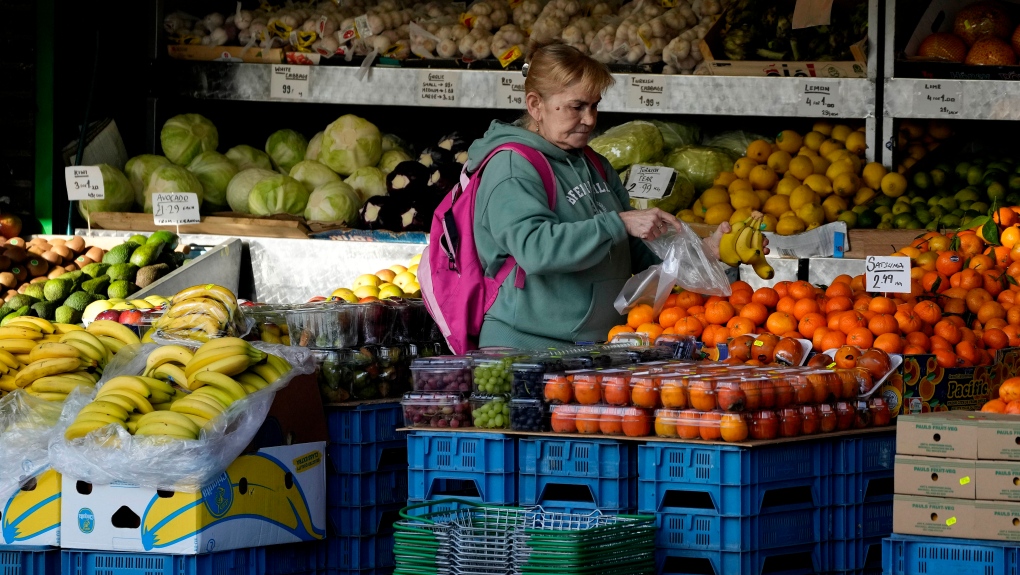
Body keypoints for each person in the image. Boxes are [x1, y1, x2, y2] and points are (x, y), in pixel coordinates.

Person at [466, 42, 748, 350]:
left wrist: (702, 249)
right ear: (535, 105)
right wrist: (619, 223)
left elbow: (638, 254)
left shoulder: (594, 164)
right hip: (524, 348)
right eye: (577, 107)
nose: (590, 119)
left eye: (594, 105)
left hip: (596, 347)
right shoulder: (512, 166)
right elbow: (536, 249)